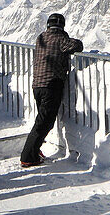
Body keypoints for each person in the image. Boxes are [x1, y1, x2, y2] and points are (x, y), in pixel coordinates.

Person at [20, 13, 82, 167]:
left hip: (37, 85)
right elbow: (77, 45)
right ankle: (28, 156)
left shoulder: (40, 37)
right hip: (51, 85)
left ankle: (34, 151)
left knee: (42, 120)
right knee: (43, 123)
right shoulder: (60, 39)